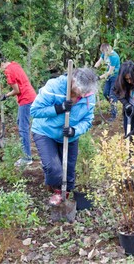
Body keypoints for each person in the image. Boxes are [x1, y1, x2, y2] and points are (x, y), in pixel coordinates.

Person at [30, 68, 98, 206]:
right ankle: (55, 189)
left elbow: (88, 120)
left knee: (69, 170)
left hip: (69, 135)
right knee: (53, 168)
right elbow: (35, 111)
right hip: (45, 131)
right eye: (81, 91)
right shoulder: (54, 87)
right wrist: (58, 108)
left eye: (87, 92)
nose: (84, 94)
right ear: (73, 82)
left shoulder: (88, 96)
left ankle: (64, 194)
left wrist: (75, 130)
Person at [0, 50, 37, 167]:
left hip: (26, 99)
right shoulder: (13, 65)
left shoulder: (8, 72)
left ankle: (27, 157)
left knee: (23, 128)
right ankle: (27, 153)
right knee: (20, 123)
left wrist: (5, 95)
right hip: (30, 95)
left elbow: (17, 90)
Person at [94, 43, 120, 122]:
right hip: (108, 78)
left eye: (104, 52)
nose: (103, 53)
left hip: (115, 77)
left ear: (107, 50)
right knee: (105, 93)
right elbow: (99, 62)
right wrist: (93, 69)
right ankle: (113, 106)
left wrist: (99, 77)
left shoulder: (114, 57)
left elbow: (110, 72)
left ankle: (114, 115)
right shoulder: (104, 54)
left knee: (112, 95)